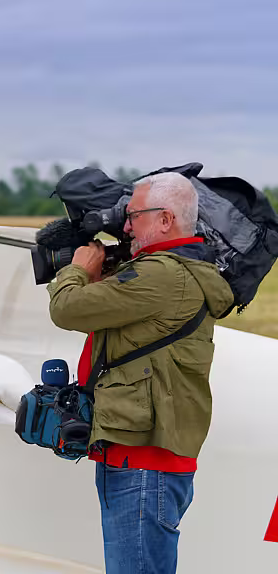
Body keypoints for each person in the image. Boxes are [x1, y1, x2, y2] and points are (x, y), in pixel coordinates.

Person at [46, 172, 234, 574]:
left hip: (144, 463)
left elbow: (67, 309)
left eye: (133, 216)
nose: (126, 227)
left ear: (165, 219)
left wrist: (78, 270)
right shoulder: (169, 271)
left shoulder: (162, 275)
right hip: (140, 456)